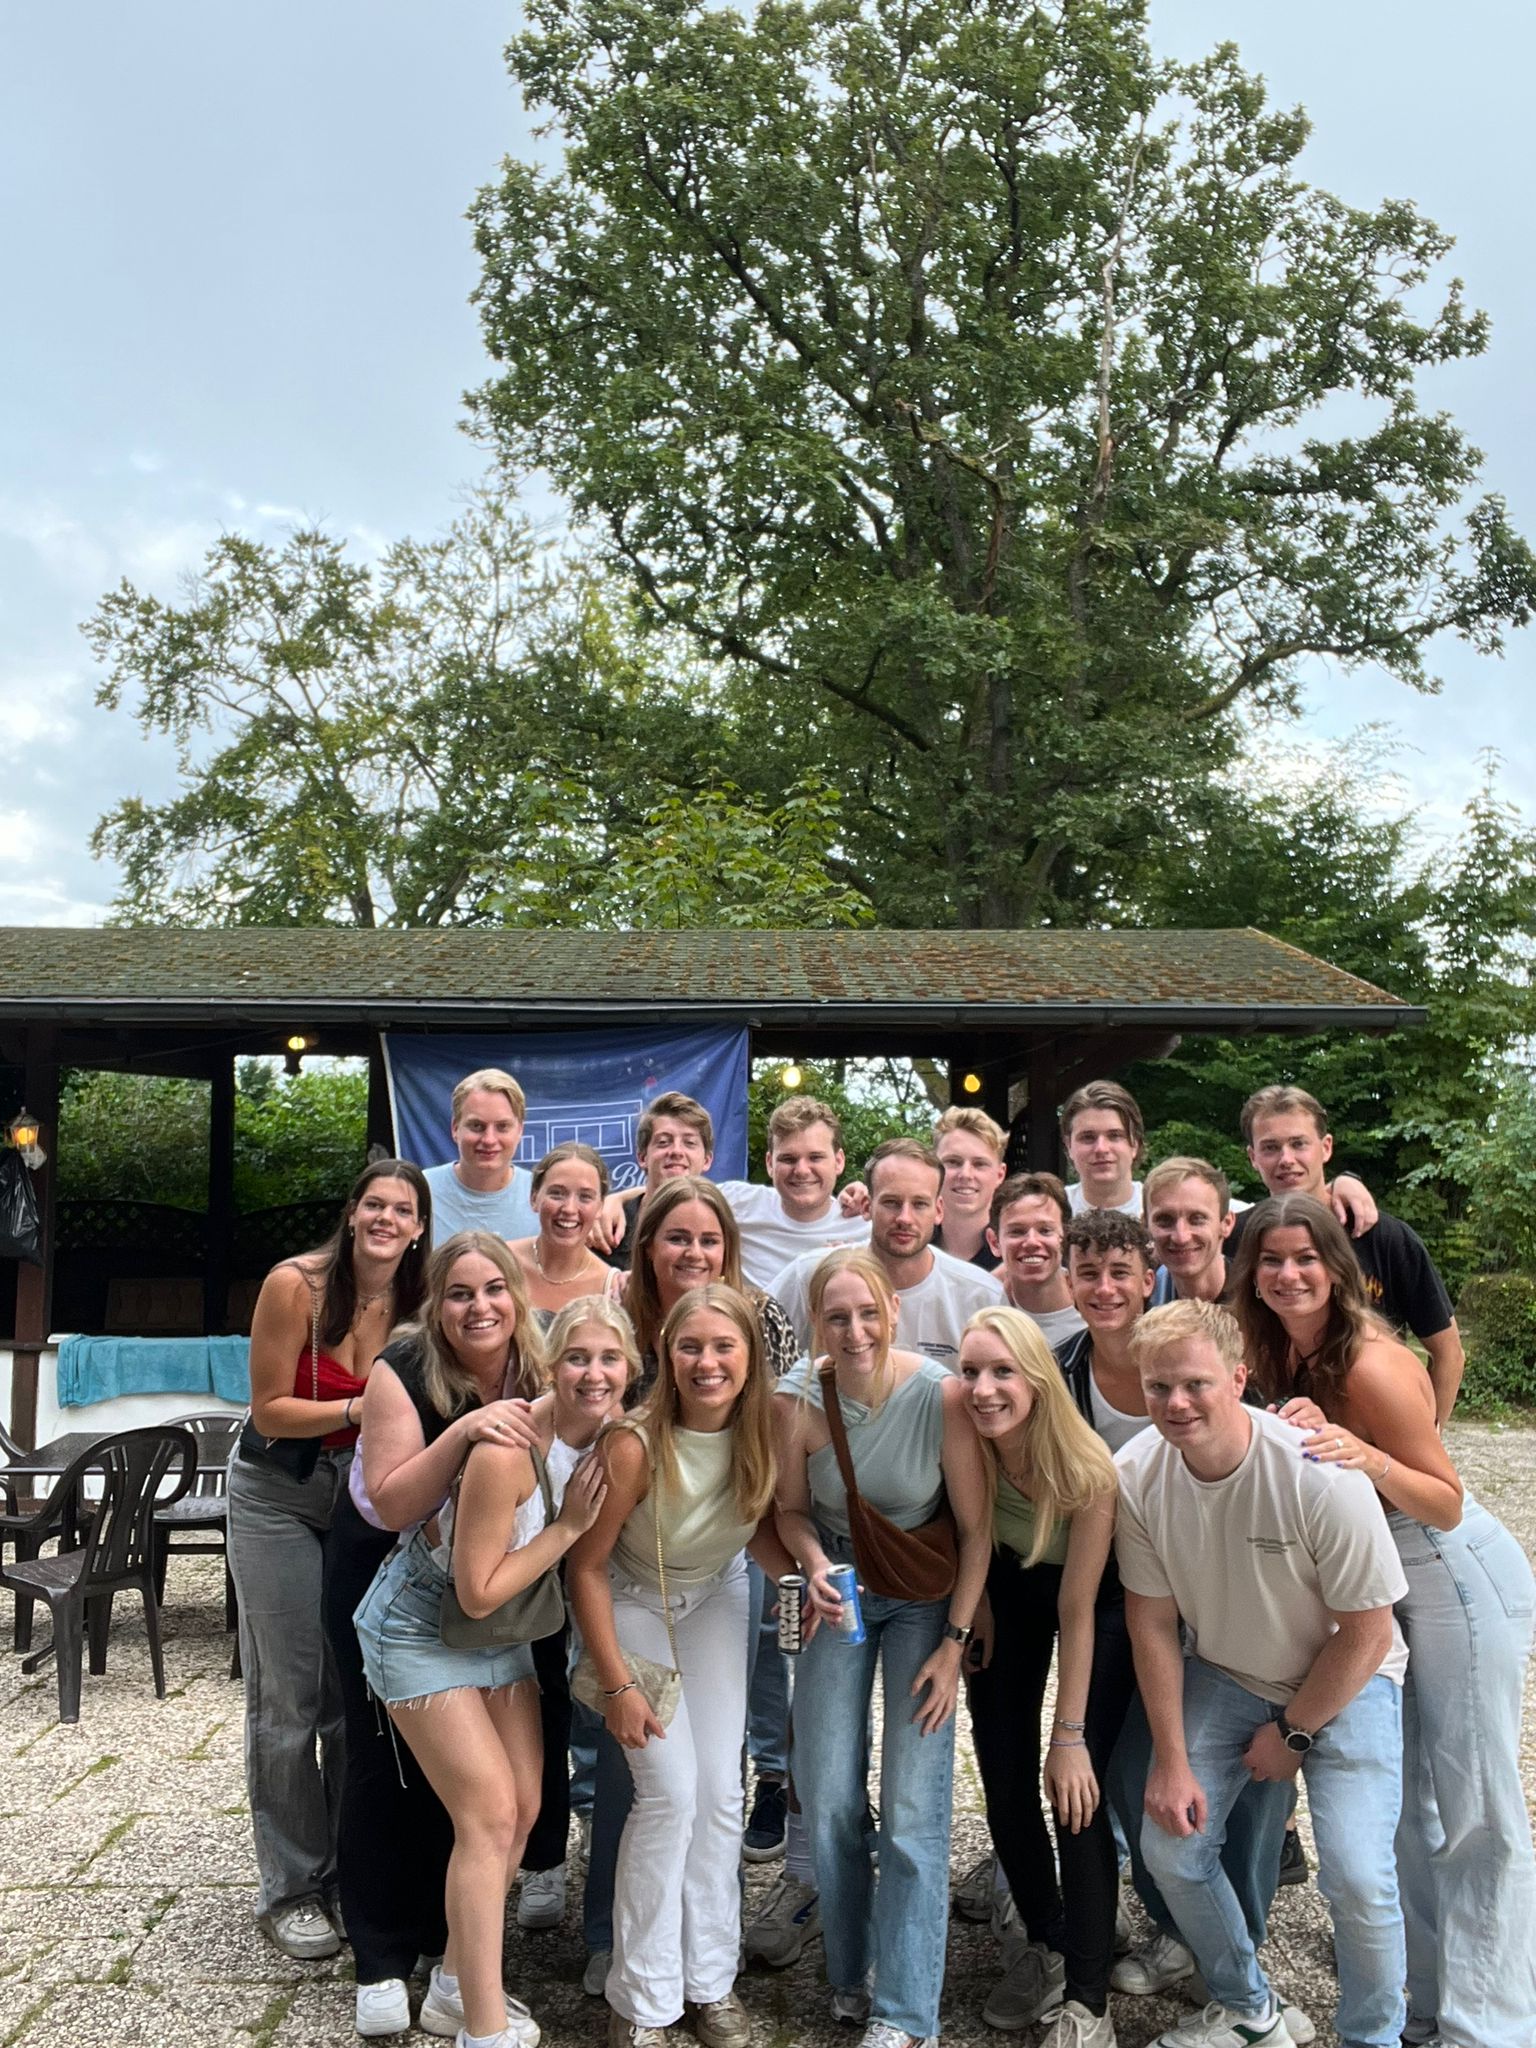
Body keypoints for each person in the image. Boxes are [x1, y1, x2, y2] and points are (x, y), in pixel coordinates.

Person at [1234, 1194, 1535, 2048]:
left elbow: (1444, 1500)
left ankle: (1493, 2029)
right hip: (1378, 1587)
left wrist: (1365, 1454)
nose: (1288, 1274)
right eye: (1270, 1259)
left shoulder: (1370, 1362)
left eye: (1305, 1258)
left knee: (1477, 1812)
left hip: (1452, 1576)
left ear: (1337, 1267)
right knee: (1408, 1814)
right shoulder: (1275, 1349)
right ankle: (1429, 2008)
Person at [1119, 1298, 1412, 2048]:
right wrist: (1172, 1762)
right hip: (1229, 1672)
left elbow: (1368, 1633)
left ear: (1238, 1378)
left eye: (1195, 1384)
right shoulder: (1136, 1474)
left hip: (1348, 1680)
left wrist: (1294, 1732)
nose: (1176, 1403)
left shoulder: (1319, 1474)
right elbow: (1152, 1623)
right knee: (1171, 1848)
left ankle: (1373, 2036)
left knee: (1358, 1876)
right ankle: (1249, 2010)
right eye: (1158, 1387)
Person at [352, 1237, 608, 2048]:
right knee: (489, 1814)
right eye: (460, 1293)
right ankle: (484, 2030)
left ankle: (455, 1989)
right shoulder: (415, 1375)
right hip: (425, 1620)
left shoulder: (556, 1374)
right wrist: (563, 1524)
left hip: (502, 1625)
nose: (481, 1306)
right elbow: (421, 1534)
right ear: (436, 1304)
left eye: (495, 1288)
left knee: (524, 1808)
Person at [575, 1176, 795, 1970]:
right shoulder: (626, 1378)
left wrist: (804, 1578)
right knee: (657, 1788)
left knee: (718, 1788)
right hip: (632, 1584)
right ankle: (629, 1963)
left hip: (716, 1580)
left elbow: (762, 1515)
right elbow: (586, 1560)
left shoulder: (763, 1400)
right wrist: (617, 1684)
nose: (694, 1252)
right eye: (677, 1237)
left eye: (710, 1239)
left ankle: (710, 1969)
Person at [774, 1248, 991, 2048]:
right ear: (816, 1324)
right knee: (826, 1785)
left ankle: (905, 2011)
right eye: (837, 1318)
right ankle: (849, 1966)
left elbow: (975, 1532)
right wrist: (811, 1564)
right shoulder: (798, 1400)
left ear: (894, 1312)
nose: (856, 1331)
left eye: (868, 1313)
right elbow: (789, 1512)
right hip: (843, 1585)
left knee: (911, 1804)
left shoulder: (942, 1395)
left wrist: (954, 1645)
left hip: (925, 1596)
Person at [228, 1159, 430, 1962]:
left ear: (419, 1227)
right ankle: (292, 1888)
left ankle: (355, 1870)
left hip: (366, 1497)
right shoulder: (296, 1286)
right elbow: (269, 1410)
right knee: (289, 1697)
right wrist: (360, 1404)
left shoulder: (422, 1300)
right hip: (279, 1492)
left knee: (358, 1691)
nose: (385, 1219)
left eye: (402, 1210)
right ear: (351, 1214)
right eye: (373, 1204)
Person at [959, 1307, 1122, 2046]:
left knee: (1075, 1790)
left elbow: (1078, 1609)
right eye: (970, 1372)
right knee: (1003, 1775)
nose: (983, 1389)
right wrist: (980, 1605)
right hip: (1005, 1593)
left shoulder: (1087, 1466)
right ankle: (1048, 1939)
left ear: (1038, 1380)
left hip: (1094, 1602)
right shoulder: (967, 1436)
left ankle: (1089, 1998)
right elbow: (965, 1533)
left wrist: (1071, 1735)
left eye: (1003, 1372)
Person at [517, 1300, 644, 1943]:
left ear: (630, 1368)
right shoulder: (526, 1434)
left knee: (597, 1712)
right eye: (577, 1358)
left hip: (589, 1591)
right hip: (515, 1600)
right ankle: (543, 1860)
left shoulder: (625, 1439)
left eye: (609, 1358)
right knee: (539, 1728)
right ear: (550, 1366)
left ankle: (591, 1825)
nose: (594, 1374)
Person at [1236, 1087, 1464, 1422]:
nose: (1286, 1159)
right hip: (1274, 1436)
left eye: (1299, 1144)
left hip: (1371, 1434)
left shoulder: (1383, 1237)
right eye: (1271, 1147)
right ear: (1253, 1157)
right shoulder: (1237, 1238)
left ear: (1326, 1147)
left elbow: (1448, 1353)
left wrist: (1428, 1431)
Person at [770, 1138, 1002, 1366]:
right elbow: (755, 1342)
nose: (904, 1218)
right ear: (867, 1206)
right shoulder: (811, 1274)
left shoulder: (981, 1296)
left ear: (938, 1210)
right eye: (891, 1202)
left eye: (919, 1204)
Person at [714, 1095, 870, 1288]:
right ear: (770, 1163)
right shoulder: (737, 1204)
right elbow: (682, 1197)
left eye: (815, 1157)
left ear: (838, 1162)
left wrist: (877, 1197)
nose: (802, 1170)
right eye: (788, 1159)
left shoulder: (866, 1225)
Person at [594, 1091, 716, 1270]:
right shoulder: (606, 1227)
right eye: (663, 1142)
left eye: (689, 1143)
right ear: (642, 1157)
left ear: (707, 1160)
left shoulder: (722, 1222)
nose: (676, 1151)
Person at [509, 1142, 625, 1323]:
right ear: (534, 1198)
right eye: (557, 1194)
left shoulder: (611, 1287)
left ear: (600, 1206)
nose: (569, 1209)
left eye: (585, 1197)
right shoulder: (502, 1262)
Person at [422, 1068, 538, 1244]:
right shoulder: (420, 1191)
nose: (489, 1140)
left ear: (520, 1130)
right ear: (455, 1128)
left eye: (502, 1126)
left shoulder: (542, 1196)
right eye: (477, 1126)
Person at [991, 1171, 1086, 1347]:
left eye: (1045, 1230)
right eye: (1017, 1231)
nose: (1032, 1242)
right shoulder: (983, 1312)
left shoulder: (1094, 1312)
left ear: (1066, 1237)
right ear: (994, 1242)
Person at [1144, 1158, 1235, 1305]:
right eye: (1165, 1220)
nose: (1181, 1237)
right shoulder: (1142, 1300)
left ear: (1226, 1223)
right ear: (1145, 1224)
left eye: (1197, 1219)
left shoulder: (1261, 1299)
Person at [931, 1107, 1008, 1269]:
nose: (965, 1174)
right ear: (933, 1169)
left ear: (1000, 1175)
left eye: (979, 1164)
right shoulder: (910, 1247)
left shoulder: (1014, 1255)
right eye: (953, 1162)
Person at [1059, 1082, 1147, 1218]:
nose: (1101, 1148)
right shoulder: (1051, 1210)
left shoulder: (1160, 1207)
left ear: (1135, 1143)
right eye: (1088, 1137)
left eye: (1114, 1136)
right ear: (1068, 1145)